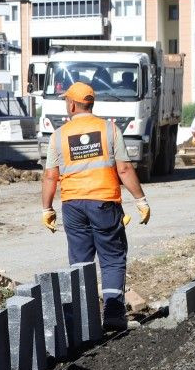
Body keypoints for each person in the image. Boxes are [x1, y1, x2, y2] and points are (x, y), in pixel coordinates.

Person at [40, 82, 150, 331]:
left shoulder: (58, 135)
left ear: (71, 104)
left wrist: (46, 208)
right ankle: (112, 315)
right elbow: (124, 168)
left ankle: (81, 322)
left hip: (73, 206)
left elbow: (50, 176)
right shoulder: (110, 130)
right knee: (111, 259)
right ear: (91, 103)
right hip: (104, 204)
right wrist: (140, 200)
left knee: (80, 262)